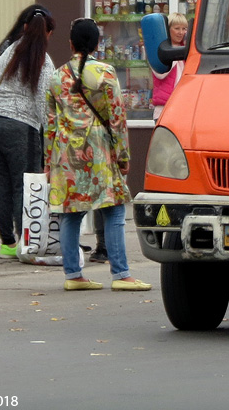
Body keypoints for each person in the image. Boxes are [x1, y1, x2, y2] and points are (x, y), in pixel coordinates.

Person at [44, 18, 151, 292]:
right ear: (97, 44)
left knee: (71, 214)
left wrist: (48, 161)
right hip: (99, 151)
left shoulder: (56, 77)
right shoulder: (105, 72)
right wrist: (123, 155)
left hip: (66, 153)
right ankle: (121, 274)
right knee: (113, 210)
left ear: (70, 43)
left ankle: (73, 275)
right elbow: (116, 117)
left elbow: (50, 124)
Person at [0, 5, 56, 260]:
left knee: (2, 184)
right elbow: (42, 104)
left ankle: (6, 243)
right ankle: (25, 242)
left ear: (25, 27)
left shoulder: (7, 52)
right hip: (20, 126)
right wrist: (49, 141)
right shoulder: (43, 61)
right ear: (47, 33)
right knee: (23, 186)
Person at [150, 12, 188, 122]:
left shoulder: (185, 50)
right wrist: (174, 54)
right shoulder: (159, 50)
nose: (181, 33)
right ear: (167, 29)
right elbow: (161, 74)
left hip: (182, 108)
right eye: (177, 28)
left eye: (184, 29)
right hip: (164, 109)